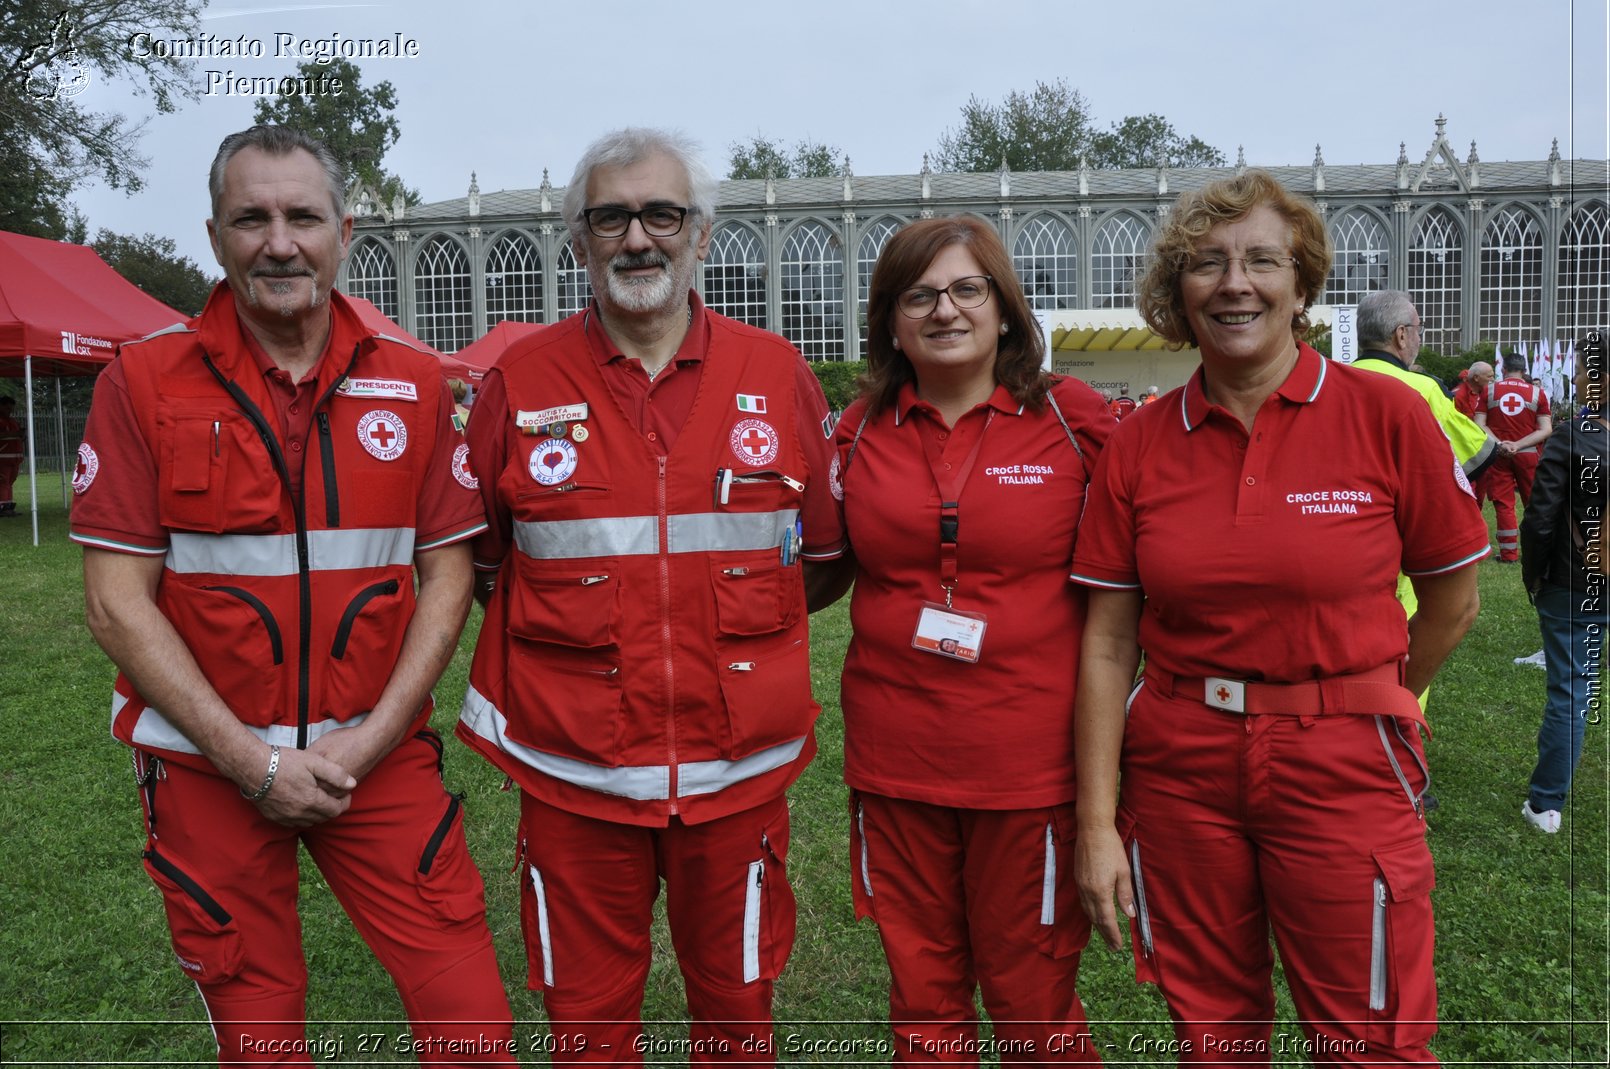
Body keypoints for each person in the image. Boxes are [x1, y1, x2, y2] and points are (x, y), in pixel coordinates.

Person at [70, 125, 514, 1066]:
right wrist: (249, 761)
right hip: (204, 766)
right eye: (252, 218)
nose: (279, 241)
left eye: (302, 216)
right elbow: (115, 602)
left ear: (344, 231)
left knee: (472, 1022)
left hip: (377, 757)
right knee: (261, 1039)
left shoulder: (418, 381)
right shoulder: (141, 382)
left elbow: (446, 575)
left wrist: (373, 735)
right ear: (214, 233)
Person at [1071, 170, 1487, 1063]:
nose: (1235, 283)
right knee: (1213, 1036)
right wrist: (1098, 823)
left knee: (1369, 1036)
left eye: (1263, 260)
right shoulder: (1139, 441)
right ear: (1177, 291)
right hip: (1179, 766)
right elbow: (1107, 643)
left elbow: (1454, 600)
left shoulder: (1385, 415)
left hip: (1342, 760)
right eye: (1207, 264)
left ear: (1303, 285)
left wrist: (1380, 696)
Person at [457, 127, 847, 1064]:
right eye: (610, 217)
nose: (639, 237)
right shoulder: (519, 381)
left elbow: (825, 558)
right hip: (575, 776)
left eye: (662, 213)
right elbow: (482, 567)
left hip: (736, 775)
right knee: (587, 1030)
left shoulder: (776, 374)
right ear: (581, 239)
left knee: (739, 1016)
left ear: (701, 234)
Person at [833, 216, 1113, 1063]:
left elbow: (1147, 579)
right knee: (923, 999)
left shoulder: (1077, 420)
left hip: (1030, 765)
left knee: (1033, 1003)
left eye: (966, 289)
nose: (944, 310)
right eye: (918, 294)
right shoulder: (854, 431)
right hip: (897, 760)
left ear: (1003, 307)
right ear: (889, 318)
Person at [1520, 330, 1607, 834]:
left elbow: (1540, 518)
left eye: (1579, 370)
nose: (1573, 378)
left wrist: (1535, 576)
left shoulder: (1573, 436)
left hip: (1573, 584)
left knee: (1571, 692)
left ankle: (1546, 804)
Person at [1476, 354, 1553, 562]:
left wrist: (1502, 444)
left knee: (1503, 504)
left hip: (1499, 454)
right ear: (1524, 370)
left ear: (1503, 368)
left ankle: (1509, 554)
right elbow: (1546, 429)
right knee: (1533, 503)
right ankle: (1538, 552)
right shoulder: (1539, 393)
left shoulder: (1489, 390)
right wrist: (1518, 445)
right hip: (1527, 455)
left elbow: (1479, 424)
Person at [0, 395, 20, 516]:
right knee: (3, 482)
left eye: (11, 409)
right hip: (2, 457)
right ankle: (2, 507)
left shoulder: (12, 421)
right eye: (7, 408)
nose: (10, 411)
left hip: (15, 457)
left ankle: (8, 506)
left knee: (9, 482)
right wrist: (14, 434)